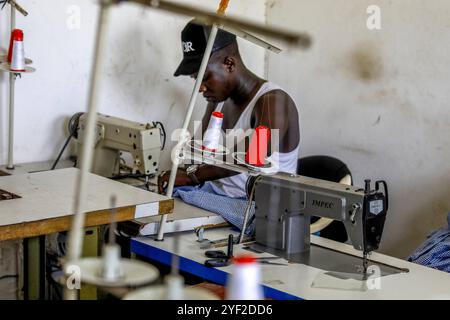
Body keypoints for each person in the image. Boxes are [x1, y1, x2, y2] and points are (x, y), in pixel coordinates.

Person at [158, 20, 300, 203]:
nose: (200, 87)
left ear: (229, 64)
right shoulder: (218, 100)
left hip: (264, 209)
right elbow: (197, 149)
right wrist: (181, 172)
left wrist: (191, 176)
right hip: (217, 196)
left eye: (205, 77)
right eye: (196, 78)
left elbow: (251, 156)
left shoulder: (274, 103)